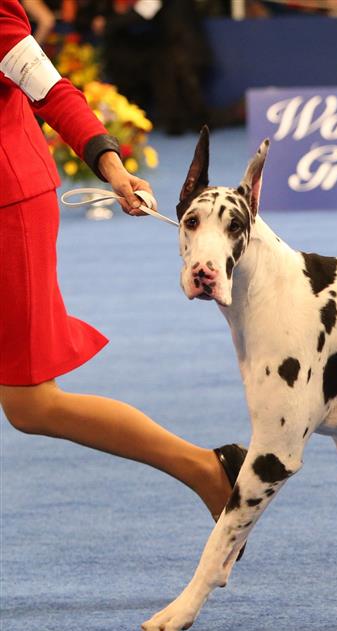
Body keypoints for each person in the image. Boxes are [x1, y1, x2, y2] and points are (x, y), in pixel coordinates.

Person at [0, 0, 244, 521]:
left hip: (9, 207)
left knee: (31, 405)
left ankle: (206, 470)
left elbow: (52, 92)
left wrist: (112, 166)